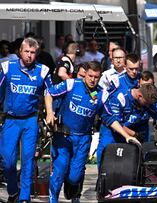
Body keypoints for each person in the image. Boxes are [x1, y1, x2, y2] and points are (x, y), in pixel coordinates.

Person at [0, 37, 52, 203]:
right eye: (26, 52)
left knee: (28, 159)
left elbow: (49, 92)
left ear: (36, 54)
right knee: (7, 160)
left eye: (33, 52)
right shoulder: (7, 67)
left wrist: (50, 112)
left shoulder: (43, 70)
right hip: (11, 120)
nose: (29, 55)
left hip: (30, 120)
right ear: (20, 52)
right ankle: (13, 191)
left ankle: (24, 197)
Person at [45, 61, 104, 203]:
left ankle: (73, 191)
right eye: (90, 76)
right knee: (59, 169)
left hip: (83, 139)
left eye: (96, 77)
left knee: (74, 177)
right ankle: (53, 199)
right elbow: (49, 93)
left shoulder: (100, 93)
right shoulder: (71, 84)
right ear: (85, 74)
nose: (92, 79)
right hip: (63, 136)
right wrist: (49, 113)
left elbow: (108, 114)